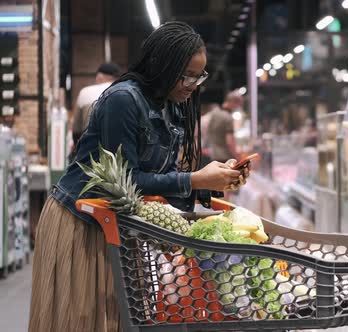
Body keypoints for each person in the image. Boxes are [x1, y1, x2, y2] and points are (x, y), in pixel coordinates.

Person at [29, 22, 248, 332]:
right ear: (162, 66)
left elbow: (161, 178)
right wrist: (195, 180)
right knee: (79, 319)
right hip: (80, 222)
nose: (193, 84)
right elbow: (127, 179)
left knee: (117, 319)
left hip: (119, 225)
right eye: (186, 74)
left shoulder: (172, 106)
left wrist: (217, 181)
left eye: (199, 76)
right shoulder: (123, 100)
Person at [71, 62, 121, 146]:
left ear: (99, 76)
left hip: (90, 147)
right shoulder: (122, 92)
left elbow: (76, 130)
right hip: (117, 148)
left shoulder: (85, 92)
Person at [206, 90, 242, 162]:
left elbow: (208, 131)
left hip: (213, 155)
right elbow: (229, 141)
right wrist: (237, 157)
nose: (239, 106)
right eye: (239, 104)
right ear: (233, 102)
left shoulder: (214, 113)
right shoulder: (228, 118)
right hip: (225, 157)